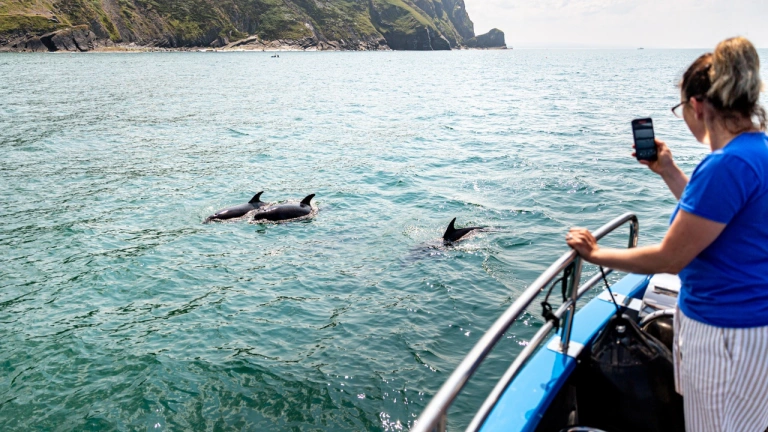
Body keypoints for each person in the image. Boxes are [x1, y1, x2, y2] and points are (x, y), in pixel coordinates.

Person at [565, 37, 768, 432]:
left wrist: (595, 253)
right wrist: (670, 172)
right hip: (751, 331)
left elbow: (671, 258)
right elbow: (716, 222)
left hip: (724, 334)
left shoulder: (726, 165)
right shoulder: (756, 152)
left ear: (697, 105)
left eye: (681, 109)